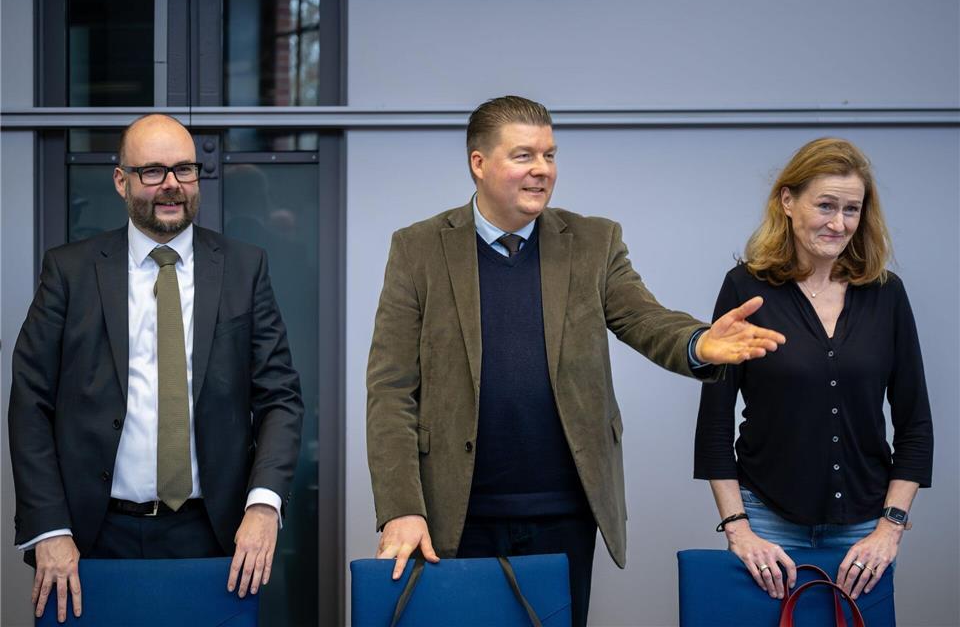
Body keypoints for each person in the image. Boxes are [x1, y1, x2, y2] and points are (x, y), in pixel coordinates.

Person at [366, 95, 785, 626]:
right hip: (455, 508)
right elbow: (390, 389)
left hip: (565, 507)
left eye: (550, 155)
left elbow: (643, 317)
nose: (542, 170)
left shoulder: (593, 241)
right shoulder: (419, 248)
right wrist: (402, 506)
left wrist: (698, 343)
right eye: (524, 156)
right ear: (479, 163)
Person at [8, 114, 304, 623]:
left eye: (184, 169)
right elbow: (30, 402)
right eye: (153, 171)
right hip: (89, 539)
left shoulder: (243, 267)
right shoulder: (70, 270)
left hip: (214, 536)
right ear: (121, 180)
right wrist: (50, 529)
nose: (171, 184)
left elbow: (279, 397)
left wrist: (263, 506)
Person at [694, 137, 933, 603]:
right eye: (825, 205)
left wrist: (891, 527)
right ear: (787, 201)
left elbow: (915, 423)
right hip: (766, 520)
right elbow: (715, 422)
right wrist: (738, 527)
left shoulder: (887, 295)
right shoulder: (745, 288)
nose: (838, 223)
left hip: (866, 529)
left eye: (851, 209)